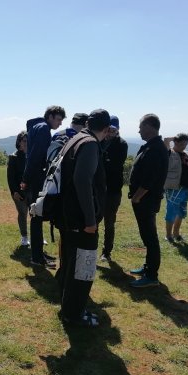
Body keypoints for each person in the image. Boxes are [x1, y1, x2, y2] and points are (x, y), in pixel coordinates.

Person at [57, 109, 110, 326]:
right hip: (81, 219)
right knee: (83, 267)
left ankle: (68, 308)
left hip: (67, 214)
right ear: (106, 129)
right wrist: (90, 220)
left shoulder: (75, 139)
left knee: (70, 263)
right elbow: (82, 180)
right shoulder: (89, 144)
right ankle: (74, 314)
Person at [21, 105, 66, 268]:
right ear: (50, 116)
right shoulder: (43, 129)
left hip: (34, 177)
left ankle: (38, 252)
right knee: (37, 215)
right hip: (37, 178)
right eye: (58, 119)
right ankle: (37, 257)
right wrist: (26, 179)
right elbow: (36, 156)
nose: (60, 123)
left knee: (36, 216)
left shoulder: (37, 127)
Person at [128, 113, 169, 288]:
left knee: (150, 238)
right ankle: (148, 268)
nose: (139, 131)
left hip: (146, 201)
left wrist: (137, 197)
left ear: (150, 127)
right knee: (147, 236)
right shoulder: (151, 146)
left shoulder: (156, 149)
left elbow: (149, 179)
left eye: (141, 127)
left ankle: (151, 276)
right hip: (143, 200)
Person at [99, 115, 129, 262]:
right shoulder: (99, 141)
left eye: (113, 130)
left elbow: (115, 165)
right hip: (98, 188)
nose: (110, 132)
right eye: (108, 129)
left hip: (113, 190)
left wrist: (102, 163)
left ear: (118, 130)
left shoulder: (122, 144)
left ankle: (107, 251)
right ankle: (90, 249)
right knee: (93, 220)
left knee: (109, 222)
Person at [163, 133, 188, 242]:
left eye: (186, 144)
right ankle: (168, 235)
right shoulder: (169, 153)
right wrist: (174, 138)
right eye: (182, 144)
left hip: (186, 188)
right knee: (171, 212)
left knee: (181, 212)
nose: (184, 146)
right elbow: (166, 140)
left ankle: (176, 234)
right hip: (174, 188)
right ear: (175, 142)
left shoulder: (187, 154)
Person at [7, 131, 29, 246]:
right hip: (18, 191)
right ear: (19, 142)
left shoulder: (32, 155)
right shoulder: (13, 157)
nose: (26, 143)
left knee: (35, 214)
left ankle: (37, 236)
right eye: (24, 141)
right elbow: (10, 177)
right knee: (22, 213)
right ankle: (24, 236)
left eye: (28, 141)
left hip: (32, 190)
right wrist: (14, 191)